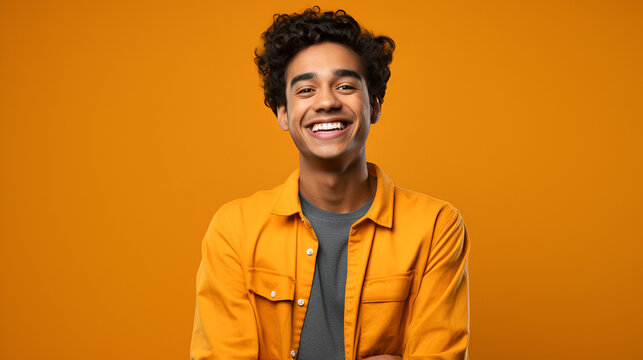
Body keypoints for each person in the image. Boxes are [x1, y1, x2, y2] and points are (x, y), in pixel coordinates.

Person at [190, 6, 470, 360]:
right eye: (306, 90)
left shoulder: (435, 227)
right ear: (283, 112)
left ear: (375, 104)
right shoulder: (234, 230)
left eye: (345, 85)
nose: (326, 101)